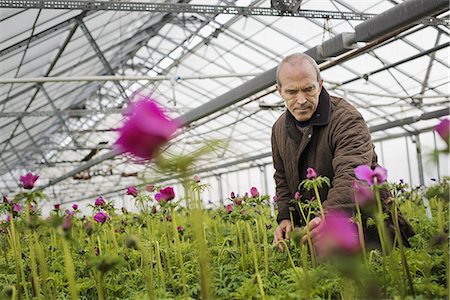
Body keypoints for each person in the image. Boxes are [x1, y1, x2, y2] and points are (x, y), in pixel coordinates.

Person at [271, 53, 414, 252]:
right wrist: (286, 216)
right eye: (292, 92)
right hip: (321, 235)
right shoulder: (279, 129)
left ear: (320, 84)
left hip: (370, 230)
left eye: (308, 89)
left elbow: (352, 173)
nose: (301, 100)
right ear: (279, 91)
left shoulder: (346, 119)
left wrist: (329, 216)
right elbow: (282, 178)